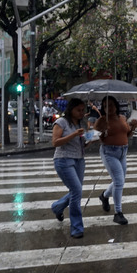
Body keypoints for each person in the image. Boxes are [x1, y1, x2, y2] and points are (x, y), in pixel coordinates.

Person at [94, 95, 137, 225]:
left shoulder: (122, 118)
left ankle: (104, 196)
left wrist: (134, 127)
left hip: (123, 152)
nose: (109, 108)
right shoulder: (101, 121)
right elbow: (92, 137)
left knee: (120, 181)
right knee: (119, 181)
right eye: (105, 106)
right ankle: (118, 213)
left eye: (111, 105)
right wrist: (101, 133)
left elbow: (127, 134)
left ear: (116, 106)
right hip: (109, 152)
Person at [50, 98, 88, 239]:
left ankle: (57, 207)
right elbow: (55, 142)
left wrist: (91, 139)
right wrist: (74, 134)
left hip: (79, 160)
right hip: (64, 160)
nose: (81, 113)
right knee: (77, 191)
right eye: (78, 110)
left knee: (76, 190)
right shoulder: (61, 122)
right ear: (71, 109)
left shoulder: (80, 124)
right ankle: (76, 227)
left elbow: (81, 145)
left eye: (83, 110)